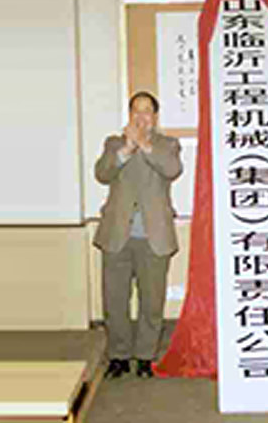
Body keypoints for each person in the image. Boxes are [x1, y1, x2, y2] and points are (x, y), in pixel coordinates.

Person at [93, 91, 183, 379]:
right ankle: (118, 356)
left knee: (151, 302)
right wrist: (126, 150)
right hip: (117, 235)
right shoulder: (114, 143)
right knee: (115, 300)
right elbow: (102, 173)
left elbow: (172, 169)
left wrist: (144, 145)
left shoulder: (168, 144)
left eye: (146, 111)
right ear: (129, 114)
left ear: (155, 116)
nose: (141, 116)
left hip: (154, 237)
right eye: (136, 110)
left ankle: (145, 356)